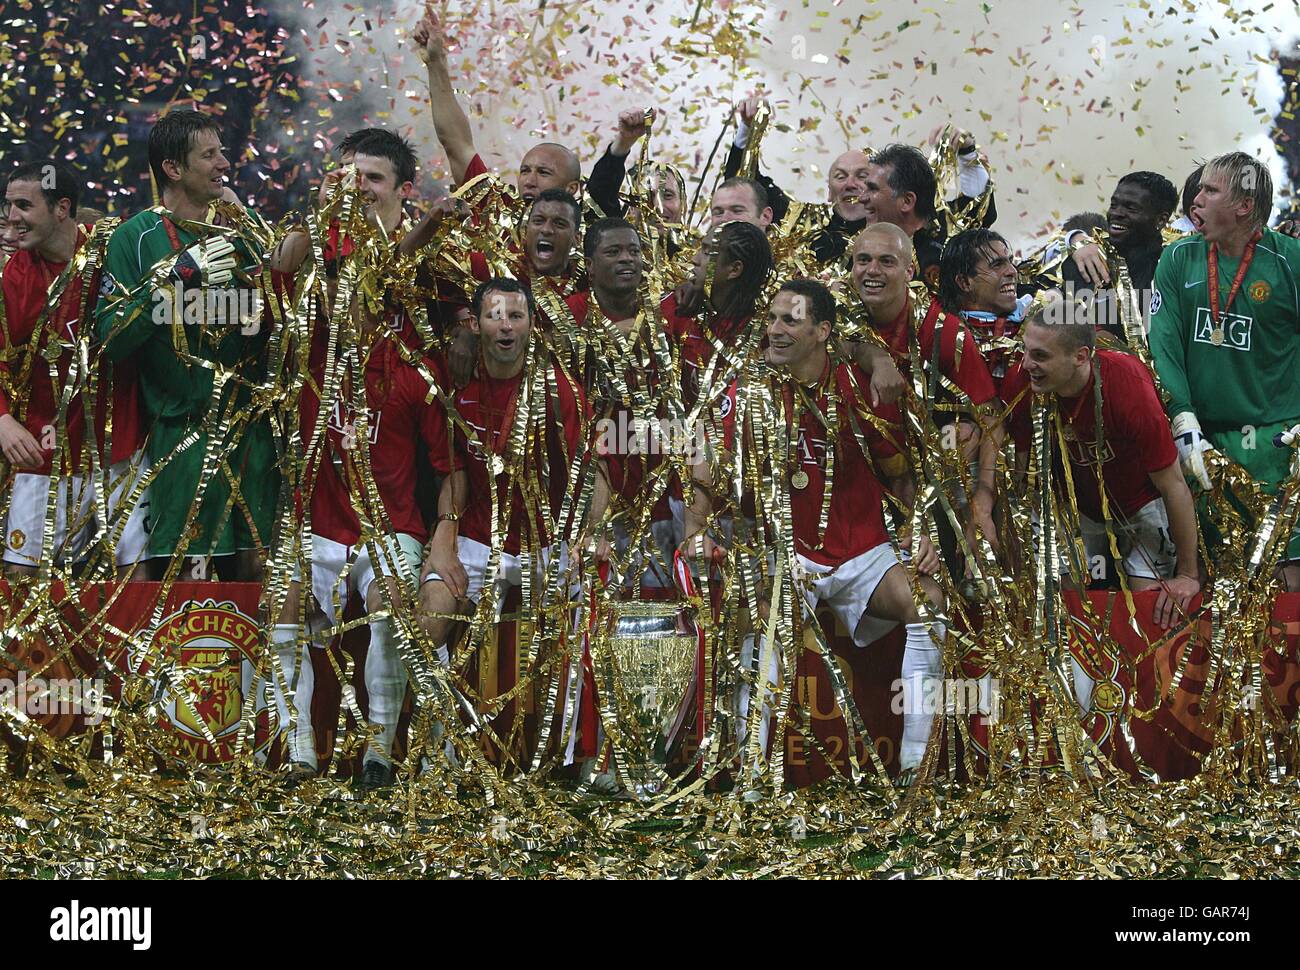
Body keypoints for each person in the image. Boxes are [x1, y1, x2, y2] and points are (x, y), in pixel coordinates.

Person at [685, 278, 948, 782]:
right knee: (759, 623)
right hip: (789, 555)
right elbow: (706, 469)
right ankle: (751, 774)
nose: (776, 331)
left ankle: (917, 762)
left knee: (930, 606)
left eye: (791, 320)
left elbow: (901, 473)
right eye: (772, 319)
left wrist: (921, 531)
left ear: (823, 330)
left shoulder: (862, 388)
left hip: (862, 551)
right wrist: (697, 531)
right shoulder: (751, 392)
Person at [95, 108, 278, 581]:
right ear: (173, 169)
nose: (224, 163)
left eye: (222, 152)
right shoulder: (136, 238)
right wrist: (174, 279)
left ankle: (250, 660)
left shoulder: (246, 229)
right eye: (209, 154)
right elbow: (110, 338)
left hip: (252, 430)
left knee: (258, 568)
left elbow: (283, 317)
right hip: (182, 433)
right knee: (190, 574)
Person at [419, 278, 591, 761]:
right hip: (477, 538)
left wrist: (584, 537)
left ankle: (574, 753)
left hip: (547, 543)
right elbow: (452, 471)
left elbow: (591, 472)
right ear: (476, 324)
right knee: (430, 608)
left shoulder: (558, 393)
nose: (506, 326)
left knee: (584, 620)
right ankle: (441, 751)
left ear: (532, 325)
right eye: (496, 316)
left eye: (516, 316)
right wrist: (442, 538)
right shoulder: (458, 387)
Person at [1000, 304, 1201, 637]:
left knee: (1152, 610)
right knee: (1062, 612)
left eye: (1040, 356)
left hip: (1138, 504)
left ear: (1080, 356)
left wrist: (1188, 575)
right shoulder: (1022, 381)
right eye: (1025, 351)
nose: (1026, 364)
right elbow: (1022, 475)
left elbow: (1174, 486)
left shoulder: (1128, 385)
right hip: (1071, 507)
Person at [1148, 150, 1300, 587]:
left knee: (1284, 583)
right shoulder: (1178, 258)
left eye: (1210, 190)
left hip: (1278, 445)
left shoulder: (1290, 262)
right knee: (1215, 583)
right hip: (1204, 446)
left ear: (1244, 206)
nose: (1195, 198)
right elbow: (1165, 344)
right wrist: (1182, 417)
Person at [0, 161, 148, 576]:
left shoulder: (115, 251)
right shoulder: (14, 278)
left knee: (137, 575)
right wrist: (3, 420)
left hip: (122, 446)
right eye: (9, 205)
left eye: (24, 205)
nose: (12, 218)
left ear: (62, 208)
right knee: (21, 579)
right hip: (44, 449)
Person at [851, 223, 1001, 546]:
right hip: (864, 464)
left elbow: (992, 421)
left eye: (886, 261)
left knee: (962, 439)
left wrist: (983, 502)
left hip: (937, 470)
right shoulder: (840, 317)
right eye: (862, 260)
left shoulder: (943, 331)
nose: (871, 270)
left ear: (910, 271)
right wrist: (876, 358)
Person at [411, 4, 580, 204]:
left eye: (544, 173)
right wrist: (436, 62)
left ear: (571, 188)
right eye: (525, 171)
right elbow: (456, 143)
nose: (529, 181)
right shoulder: (497, 213)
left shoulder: (591, 232)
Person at [1061, 171, 1178, 340]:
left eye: (1131, 208)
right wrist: (1072, 237)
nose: (1117, 213)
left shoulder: (1171, 266)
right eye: (1114, 205)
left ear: (1160, 220)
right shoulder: (1085, 260)